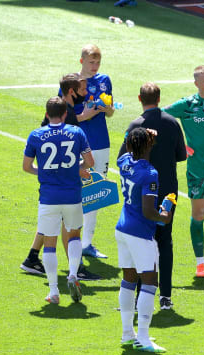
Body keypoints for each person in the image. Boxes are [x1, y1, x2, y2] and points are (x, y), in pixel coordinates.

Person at [20, 73, 102, 281]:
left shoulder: (54, 116)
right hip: (66, 185)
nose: (86, 92)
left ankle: (34, 261)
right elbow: (69, 155)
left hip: (50, 186)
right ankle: (76, 270)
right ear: (72, 91)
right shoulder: (70, 119)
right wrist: (75, 169)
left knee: (50, 220)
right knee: (69, 228)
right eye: (82, 89)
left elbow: (40, 154)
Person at [118, 82, 187, 310]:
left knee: (142, 241)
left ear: (140, 98)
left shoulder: (136, 125)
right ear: (159, 98)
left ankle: (138, 295)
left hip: (141, 193)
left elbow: (123, 156)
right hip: (168, 191)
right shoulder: (172, 122)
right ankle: (165, 296)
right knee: (165, 241)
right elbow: (181, 156)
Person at [23, 97, 94, 304]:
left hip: (48, 197)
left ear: (47, 114)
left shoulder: (36, 135)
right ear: (65, 114)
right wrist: (76, 169)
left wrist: (44, 172)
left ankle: (53, 291)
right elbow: (89, 162)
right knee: (73, 235)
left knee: (50, 243)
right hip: (72, 195)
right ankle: (73, 273)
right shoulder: (77, 132)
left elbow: (27, 166)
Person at [163, 65, 204, 279]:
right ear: (196, 83)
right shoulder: (187, 105)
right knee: (198, 215)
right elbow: (160, 116)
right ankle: (200, 263)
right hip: (198, 169)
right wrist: (180, 146)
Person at [116, 127, 172, 353]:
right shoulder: (150, 173)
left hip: (122, 229)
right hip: (140, 233)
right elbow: (150, 212)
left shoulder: (123, 162)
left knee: (129, 280)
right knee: (149, 283)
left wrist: (130, 135)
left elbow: (124, 148)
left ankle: (127, 334)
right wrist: (165, 216)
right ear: (150, 146)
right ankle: (144, 338)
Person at [77, 44, 116, 260]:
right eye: (91, 62)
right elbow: (63, 113)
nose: (95, 66)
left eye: (98, 62)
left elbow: (110, 112)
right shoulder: (72, 81)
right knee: (75, 191)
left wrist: (108, 110)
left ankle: (87, 244)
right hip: (78, 143)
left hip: (101, 142)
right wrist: (86, 116)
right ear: (81, 61)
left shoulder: (105, 80)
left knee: (95, 191)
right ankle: (70, 237)